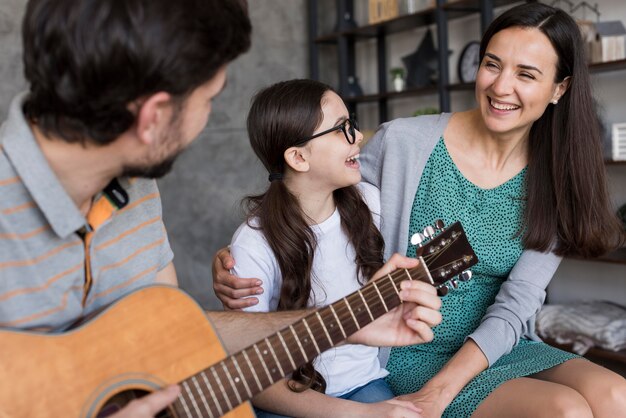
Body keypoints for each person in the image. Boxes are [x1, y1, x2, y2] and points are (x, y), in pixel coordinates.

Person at [0, 1, 444, 417]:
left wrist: (342, 321)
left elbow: (172, 338)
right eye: (209, 98)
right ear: (154, 117)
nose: (208, 119)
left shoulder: (134, 190)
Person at [212, 3, 626, 417]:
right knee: (564, 411)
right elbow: (316, 196)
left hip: (495, 343)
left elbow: (518, 304)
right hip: (409, 348)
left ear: (560, 88)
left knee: (616, 395)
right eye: (492, 64)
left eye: (526, 74)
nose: (501, 87)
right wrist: (247, 253)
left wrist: (446, 389)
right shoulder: (403, 144)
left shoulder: (556, 179)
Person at [228, 79, 435, 418]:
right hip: (288, 400)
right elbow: (253, 380)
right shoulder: (252, 244)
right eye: (342, 130)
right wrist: (361, 415)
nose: (358, 137)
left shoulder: (370, 203)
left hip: (364, 384)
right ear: (298, 157)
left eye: (351, 124)